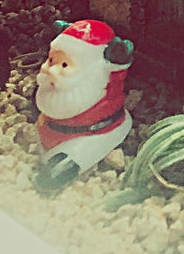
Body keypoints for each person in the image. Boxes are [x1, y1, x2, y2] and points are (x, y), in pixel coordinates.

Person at [35, 18, 133, 193]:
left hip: (89, 134)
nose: (52, 71)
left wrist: (120, 58)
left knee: (64, 165)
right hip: (50, 126)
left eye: (64, 65)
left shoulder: (102, 75)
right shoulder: (55, 90)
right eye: (51, 61)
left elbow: (119, 69)